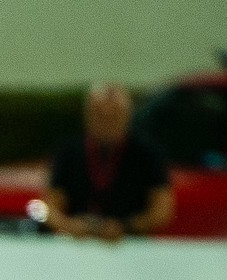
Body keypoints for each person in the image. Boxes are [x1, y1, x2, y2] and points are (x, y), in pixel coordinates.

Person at [44, 83, 174, 242]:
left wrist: (126, 227)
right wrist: (69, 226)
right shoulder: (69, 152)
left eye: (114, 116)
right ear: (88, 116)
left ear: (127, 116)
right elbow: (50, 206)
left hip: (130, 246)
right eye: (100, 115)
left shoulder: (147, 154)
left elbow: (162, 210)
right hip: (78, 245)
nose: (106, 122)